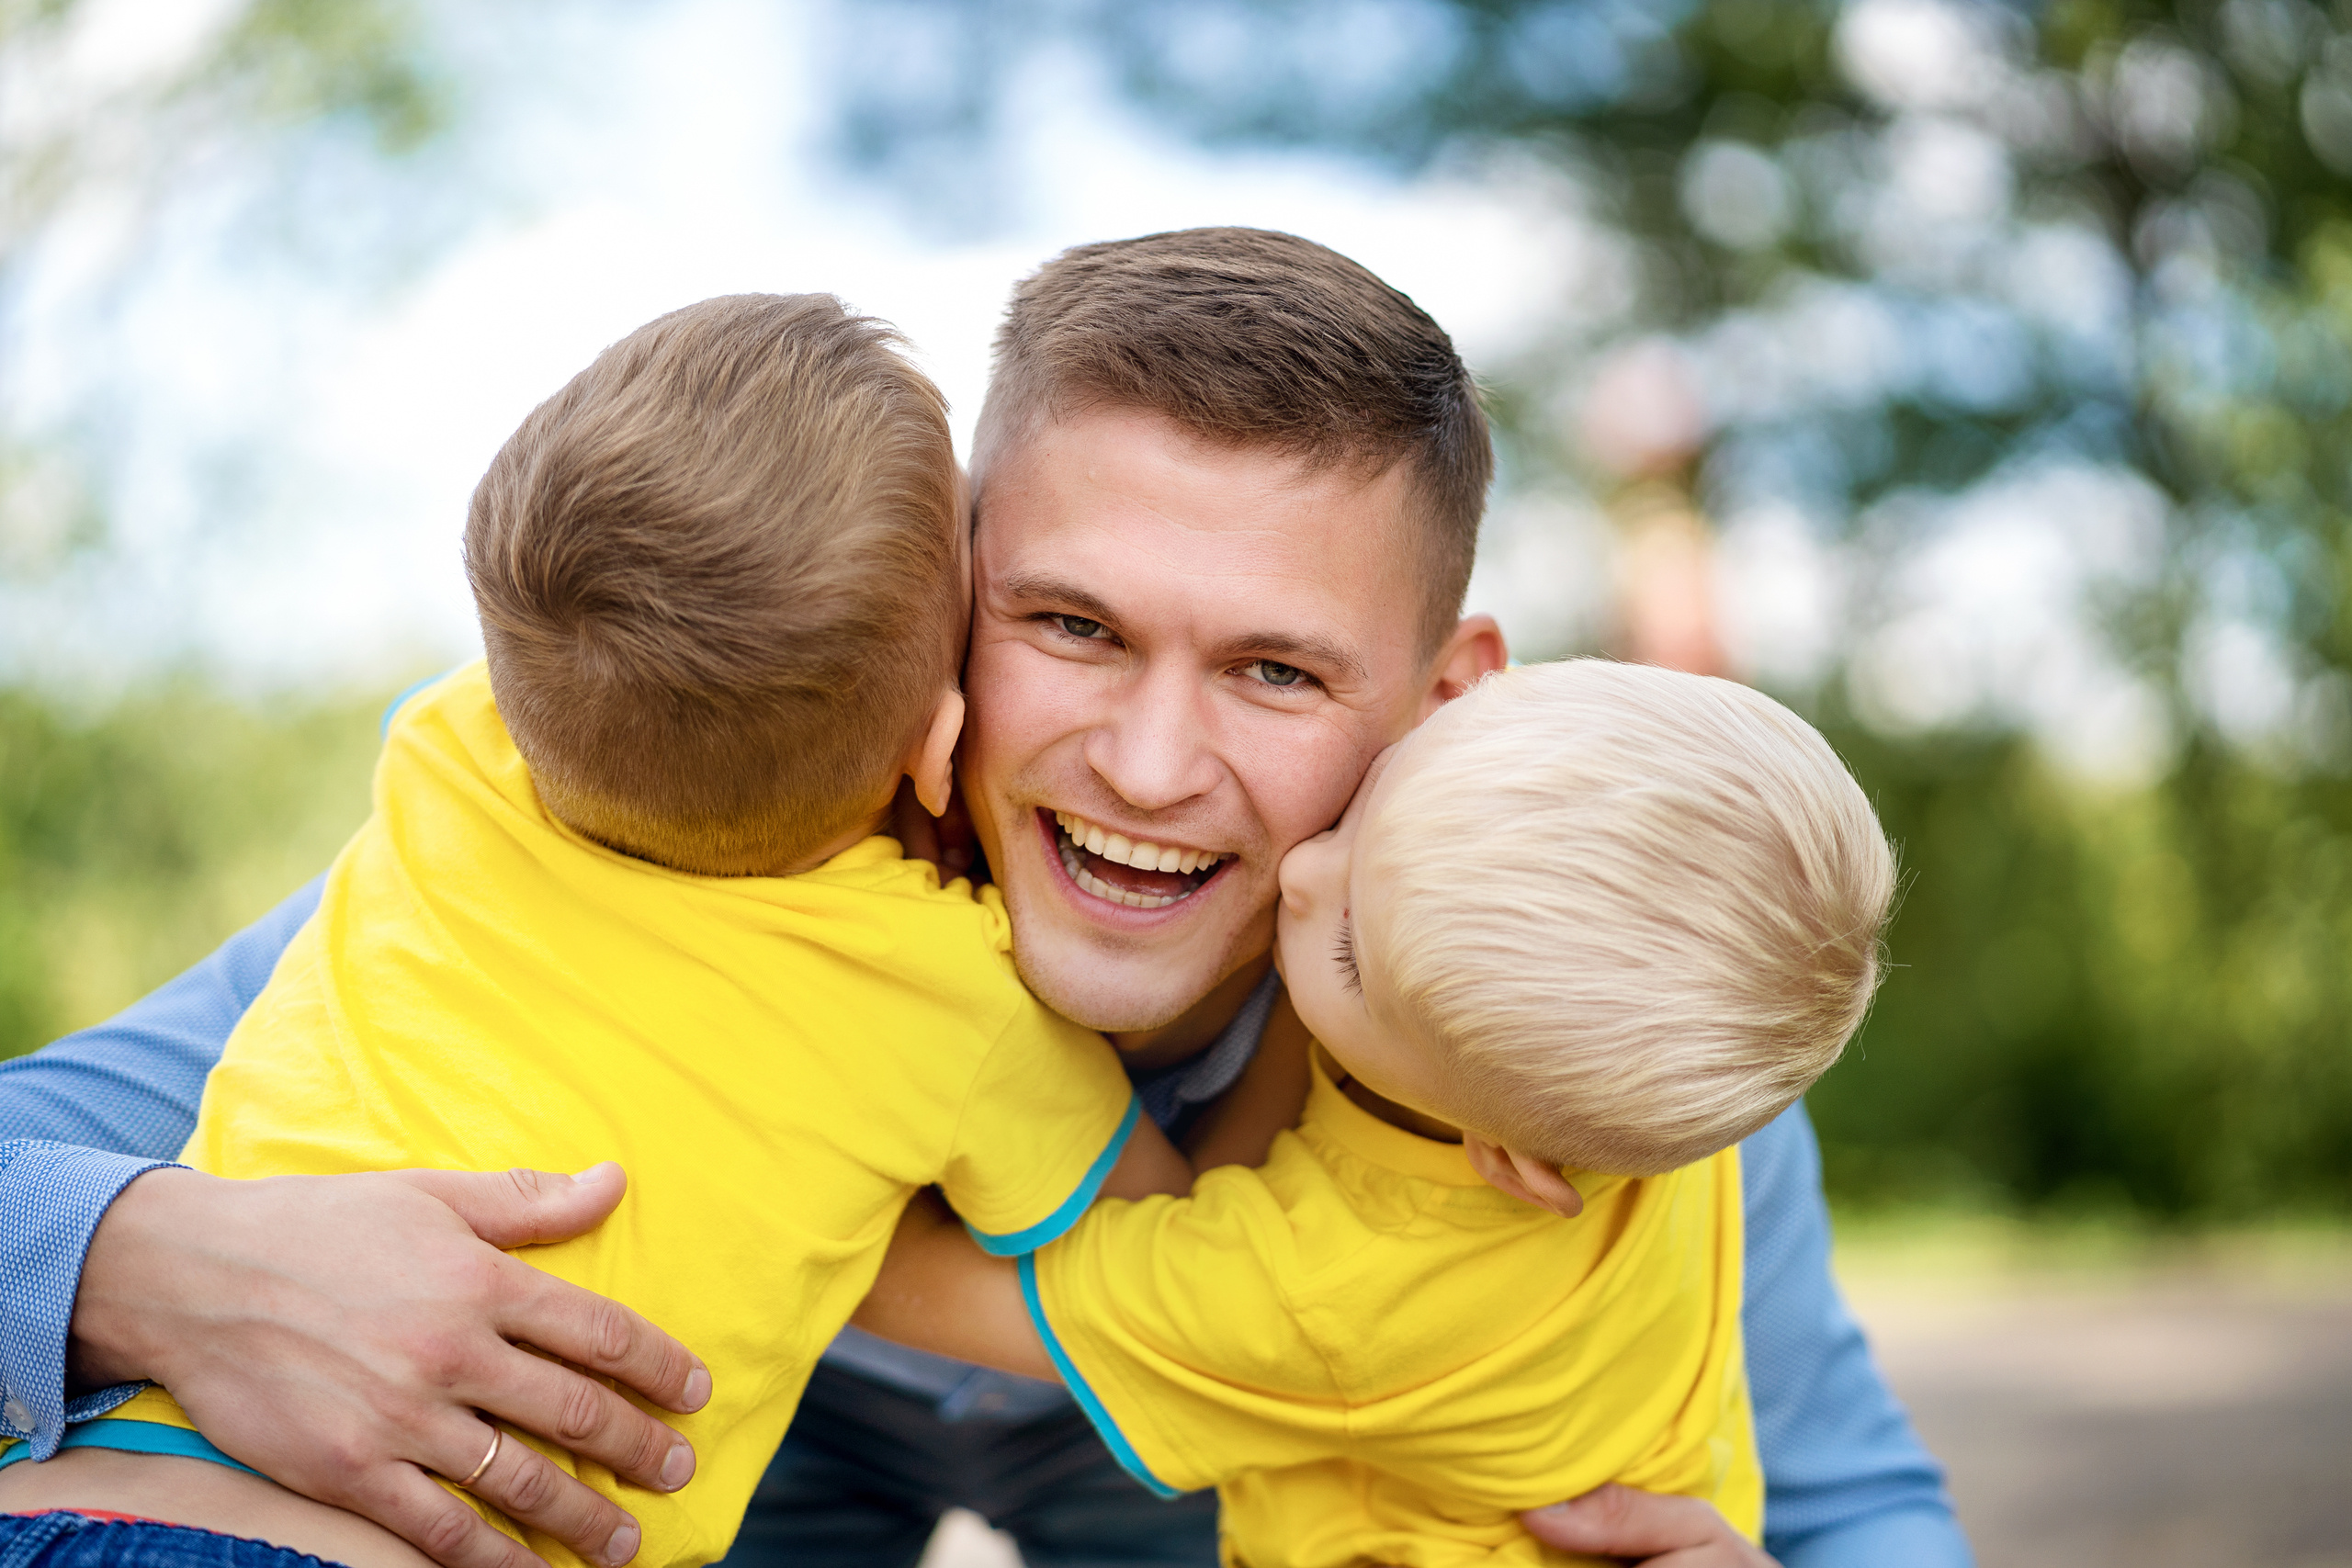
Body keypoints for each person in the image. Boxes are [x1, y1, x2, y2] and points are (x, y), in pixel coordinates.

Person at [0, 228, 1970, 1568]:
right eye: (1070, 625)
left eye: (1275, 670)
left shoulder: (1561, 1041)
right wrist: (143, 1258)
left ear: (1449, 702)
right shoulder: (628, 867)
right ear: (939, 606)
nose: (1146, 763)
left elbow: (1856, 1501)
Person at [0, 293, 1190, 1568]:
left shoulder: (446, 757)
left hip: (47, 1498)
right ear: (940, 742)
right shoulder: (949, 991)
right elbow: (1173, 1240)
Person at [854, 660, 1897, 1564]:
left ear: (1509, 1160)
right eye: (1375, 803)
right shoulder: (1608, 1063)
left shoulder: (1336, 1296)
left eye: (1351, 954)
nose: (1305, 873)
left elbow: (911, 1289)